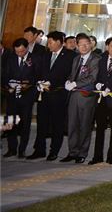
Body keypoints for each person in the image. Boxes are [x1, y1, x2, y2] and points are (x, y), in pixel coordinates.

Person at [27, 31, 74, 160]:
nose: (48, 45)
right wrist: (40, 81)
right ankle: (39, 149)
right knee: (41, 123)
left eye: (51, 42)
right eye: (48, 42)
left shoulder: (70, 56)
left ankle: (54, 151)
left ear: (59, 42)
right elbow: (40, 71)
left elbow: (69, 74)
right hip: (44, 94)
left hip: (59, 95)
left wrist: (52, 82)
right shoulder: (46, 54)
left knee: (57, 124)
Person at [62, 33, 99, 163]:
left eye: (86, 44)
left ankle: (82, 153)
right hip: (73, 95)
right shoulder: (76, 58)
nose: (84, 47)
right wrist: (68, 81)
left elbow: (92, 77)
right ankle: (72, 151)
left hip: (86, 96)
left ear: (91, 45)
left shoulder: (95, 59)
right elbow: (73, 74)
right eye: (81, 45)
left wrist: (75, 84)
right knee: (72, 124)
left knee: (85, 125)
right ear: (77, 46)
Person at [2, 38, 38, 157]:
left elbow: (37, 76)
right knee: (10, 122)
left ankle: (22, 150)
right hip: (12, 95)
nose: (19, 54)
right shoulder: (10, 58)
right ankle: (11, 148)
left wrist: (28, 84)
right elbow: (4, 75)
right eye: (17, 51)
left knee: (25, 124)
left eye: (22, 51)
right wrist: (8, 86)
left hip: (26, 96)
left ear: (27, 48)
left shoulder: (35, 59)